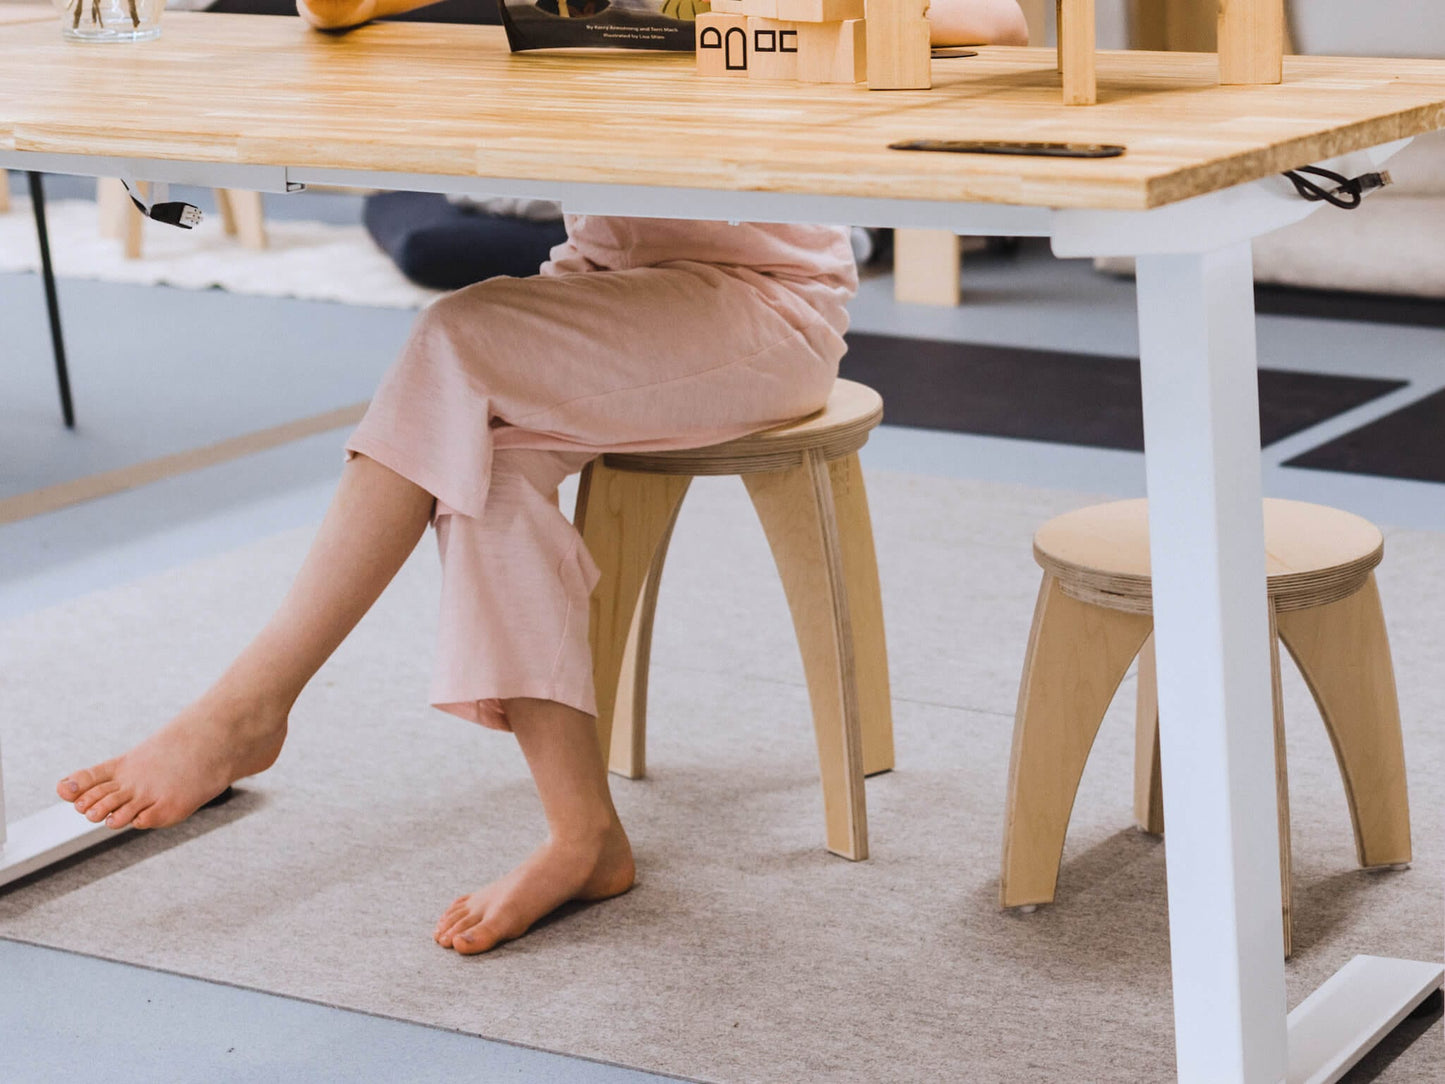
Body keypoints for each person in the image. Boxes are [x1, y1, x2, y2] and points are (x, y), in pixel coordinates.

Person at [57, 0, 1029, 956]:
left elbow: (995, 27)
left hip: (763, 305)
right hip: (605, 281)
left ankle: (247, 706)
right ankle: (584, 837)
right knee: (487, 456)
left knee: (454, 342)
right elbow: (334, 12)